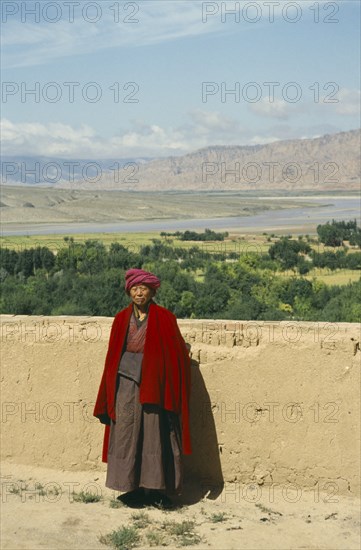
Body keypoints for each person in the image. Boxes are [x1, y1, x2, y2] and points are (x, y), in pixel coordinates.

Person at [93, 268, 192, 507]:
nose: (139, 293)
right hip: (125, 386)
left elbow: (176, 349)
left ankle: (156, 489)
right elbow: (112, 356)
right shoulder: (120, 320)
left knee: (155, 435)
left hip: (154, 387)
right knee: (127, 433)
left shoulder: (165, 318)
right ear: (129, 292)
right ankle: (131, 488)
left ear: (151, 291)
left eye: (144, 289)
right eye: (135, 289)